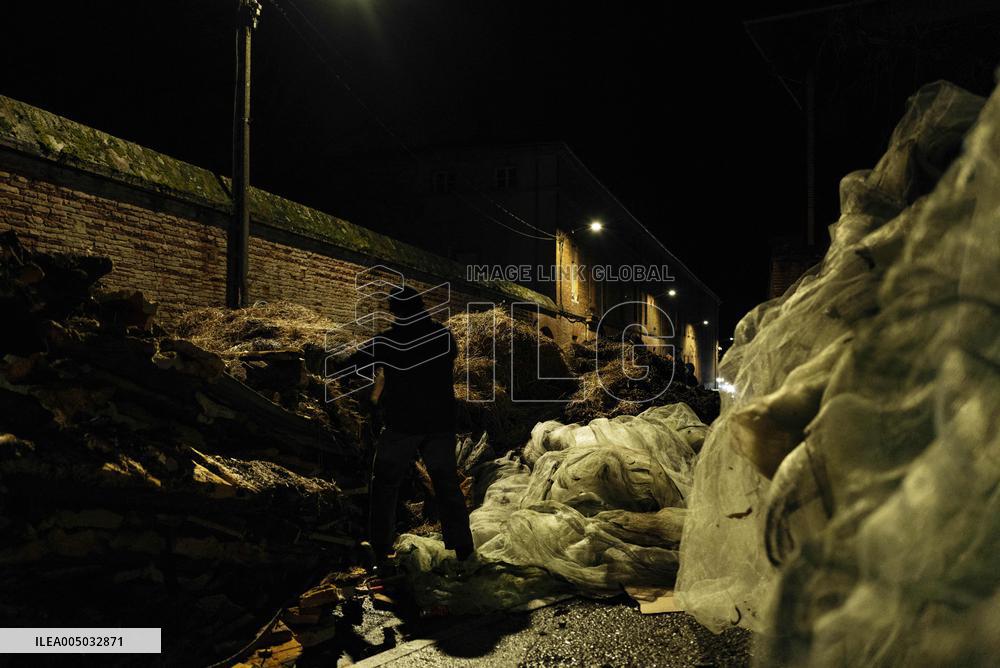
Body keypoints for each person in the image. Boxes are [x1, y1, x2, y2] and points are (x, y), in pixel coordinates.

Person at [334, 286, 474, 572]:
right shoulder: (443, 336)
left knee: (385, 485)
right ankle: (463, 548)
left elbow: (351, 365)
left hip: (402, 424)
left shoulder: (388, 341)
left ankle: (381, 549)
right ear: (421, 307)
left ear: (396, 312)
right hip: (440, 422)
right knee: (446, 484)